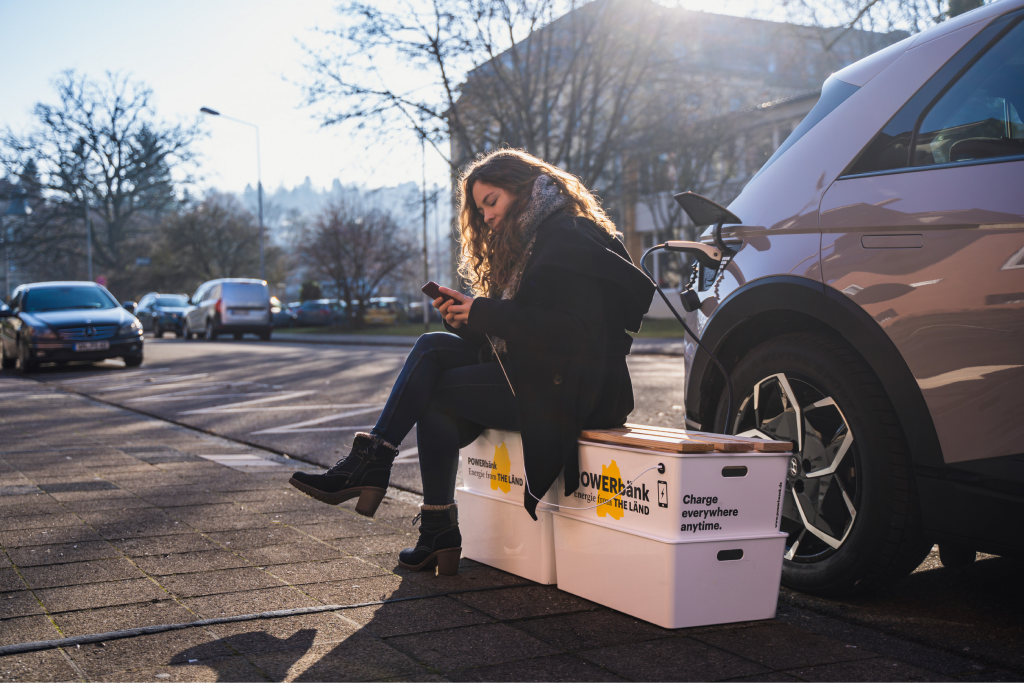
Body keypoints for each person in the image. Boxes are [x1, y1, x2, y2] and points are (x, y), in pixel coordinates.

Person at [289, 149, 655, 576]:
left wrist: (482, 312)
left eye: (491, 202)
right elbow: (521, 331)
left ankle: (420, 511)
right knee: (432, 346)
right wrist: (467, 319)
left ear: (523, 191)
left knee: (438, 396)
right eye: (479, 209)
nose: (485, 217)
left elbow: (574, 331)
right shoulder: (532, 239)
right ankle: (382, 470)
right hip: (542, 372)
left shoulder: (568, 236)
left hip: (580, 386)